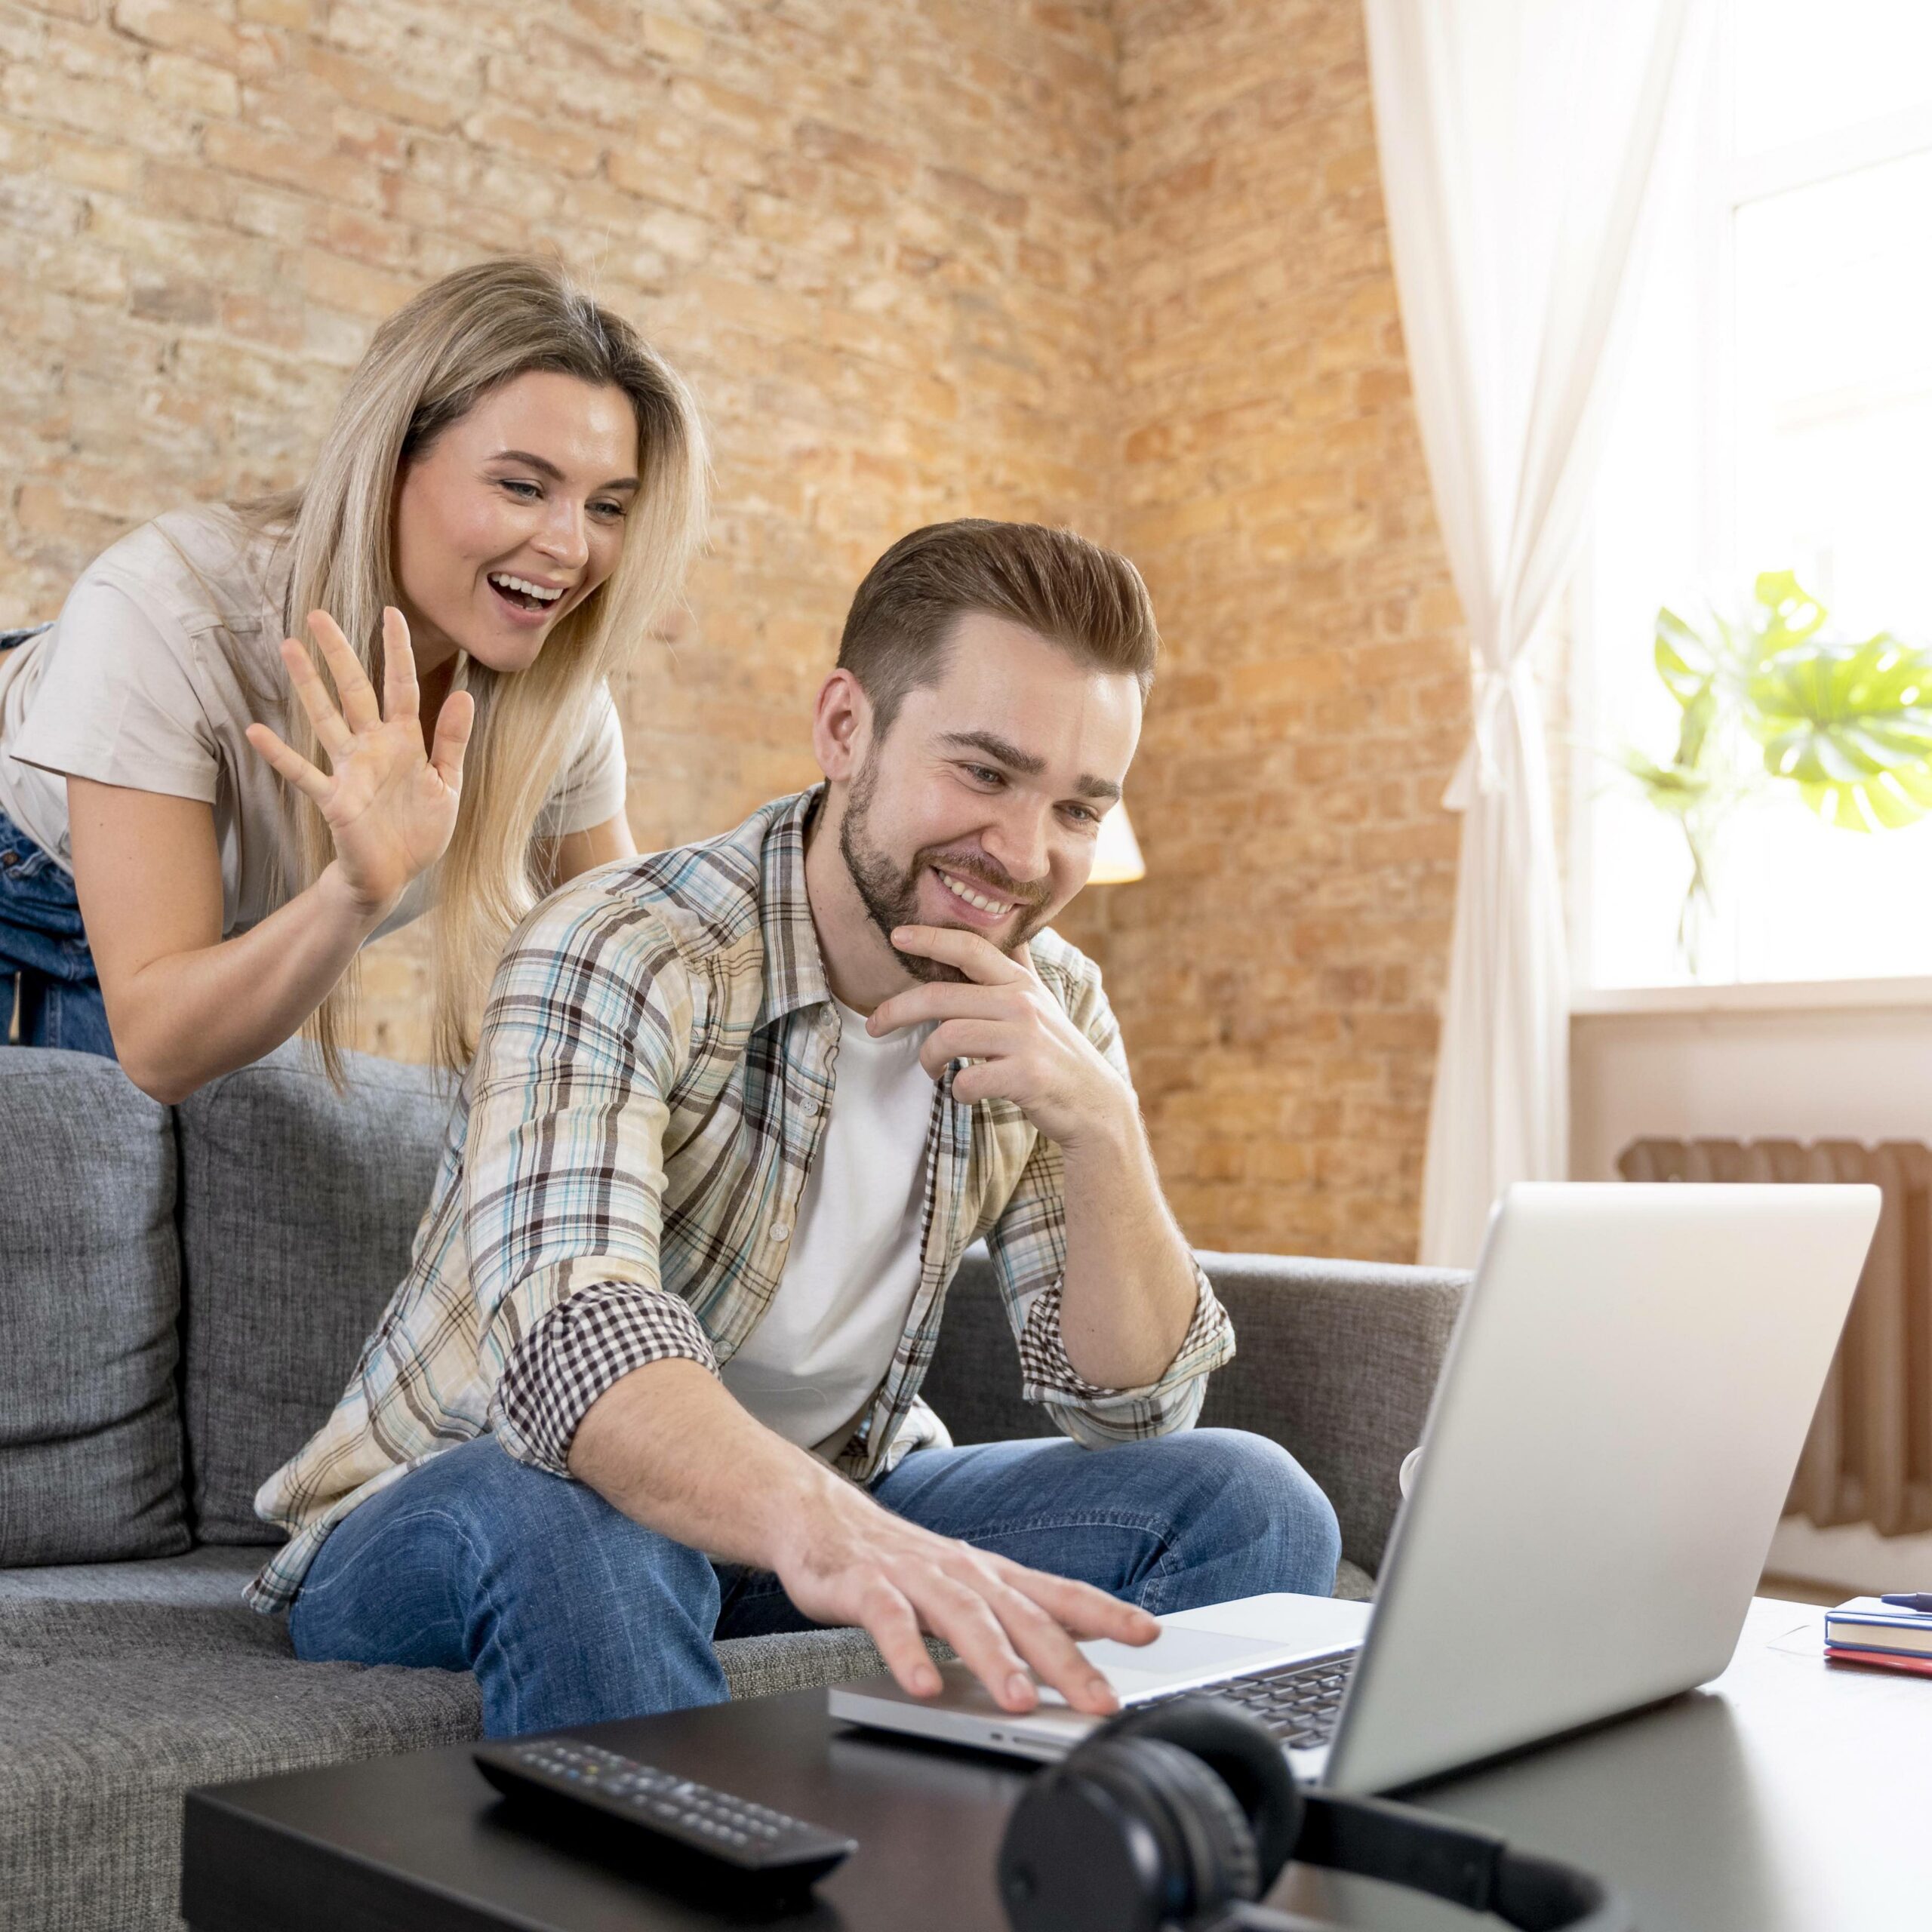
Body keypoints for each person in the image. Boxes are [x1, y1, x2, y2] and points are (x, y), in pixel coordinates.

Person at [254, 519, 1341, 1738]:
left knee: (1250, 1499)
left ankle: (1075, 1873)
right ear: (844, 727)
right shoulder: (626, 943)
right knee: (590, 1517)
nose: (1027, 854)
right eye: (984, 773)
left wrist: (1102, 1125)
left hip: (826, 1496)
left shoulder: (1055, 1002)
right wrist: (853, 1540)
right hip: (469, 1508)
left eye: (1079, 808)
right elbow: (580, 1355)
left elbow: (1129, 1410)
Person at [0, 257, 705, 1097]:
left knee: (88, 1192)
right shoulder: (165, 610)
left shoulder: (559, 710)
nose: (571, 546)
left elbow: (632, 966)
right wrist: (351, 894)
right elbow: (158, 1041)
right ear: (392, 460)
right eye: (522, 486)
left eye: (607, 507)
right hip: (22, 852)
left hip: (184, 944)